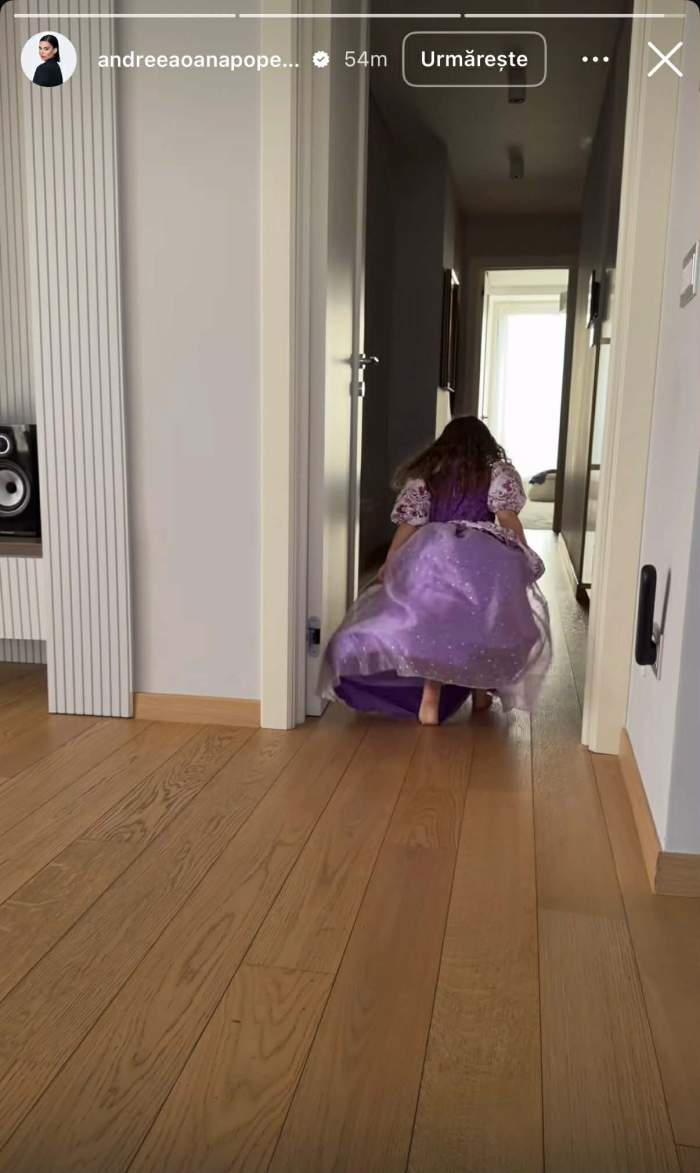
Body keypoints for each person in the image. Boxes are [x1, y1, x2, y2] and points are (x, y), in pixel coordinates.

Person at [319, 415, 551, 725]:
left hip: (434, 551)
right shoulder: (496, 472)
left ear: (444, 444)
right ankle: (480, 692)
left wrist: (392, 559)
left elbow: (410, 523)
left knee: (437, 623)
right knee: (483, 621)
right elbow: (507, 517)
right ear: (486, 444)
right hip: (483, 555)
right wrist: (522, 551)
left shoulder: (429, 474)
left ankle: (431, 698)